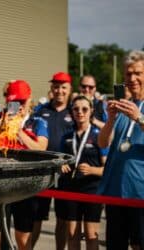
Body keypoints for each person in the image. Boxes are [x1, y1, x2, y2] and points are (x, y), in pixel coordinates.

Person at [0, 80, 48, 250]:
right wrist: (3, 123)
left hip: (25, 186)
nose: (18, 105)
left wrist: (18, 131)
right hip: (0, 184)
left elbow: (41, 148)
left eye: (22, 101)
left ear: (29, 100)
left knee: (23, 240)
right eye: (14, 102)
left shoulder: (38, 122)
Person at [97, 50, 144, 250]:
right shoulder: (125, 105)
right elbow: (102, 143)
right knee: (115, 245)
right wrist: (110, 121)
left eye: (138, 73)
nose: (132, 79)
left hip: (140, 193)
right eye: (128, 74)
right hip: (116, 191)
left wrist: (139, 118)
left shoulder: (133, 110)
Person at [32, 72, 74, 250]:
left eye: (63, 87)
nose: (60, 91)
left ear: (69, 89)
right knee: (36, 217)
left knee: (62, 219)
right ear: (51, 88)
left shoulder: (75, 111)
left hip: (66, 173)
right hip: (43, 171)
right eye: (56, 86)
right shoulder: (41, 111)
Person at [60, 95, 107, 250]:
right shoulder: (66, 136)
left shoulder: (99, 135)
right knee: (72, 234)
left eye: (84, 109)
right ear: (72, 112)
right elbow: (60, 161)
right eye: (76, 109)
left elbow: (108, 169)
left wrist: (92, 170)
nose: (80, 112)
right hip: (71, 189)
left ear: (91, 111)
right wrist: (62, 166)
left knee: (91, 235)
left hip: (92, 190)